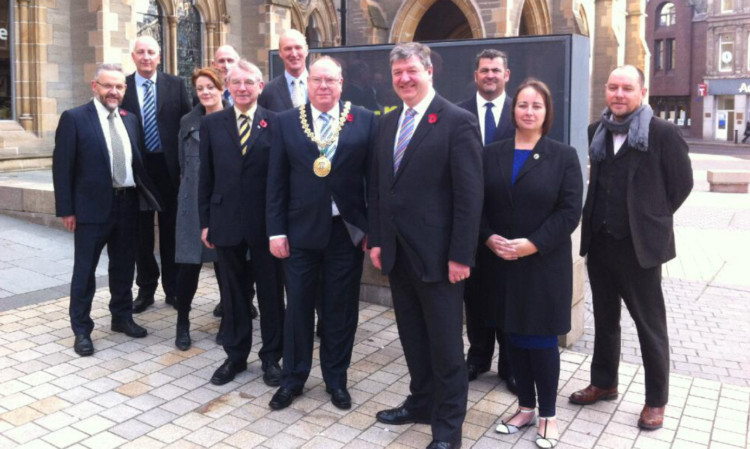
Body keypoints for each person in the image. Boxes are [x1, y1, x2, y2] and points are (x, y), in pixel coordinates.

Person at [369, 42, 483, 449]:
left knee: (447, 349)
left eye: (411, 71)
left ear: (429, 71)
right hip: (399, 255)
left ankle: (448, 431)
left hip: (440, 260)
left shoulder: (457, 122)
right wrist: (378, 241)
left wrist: (460, 256)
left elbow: (470, 198)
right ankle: (420, 403)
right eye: (397, 72)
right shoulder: (387, 123)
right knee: (413, 339)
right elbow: (382, 189)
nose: (404, 78)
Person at [570, 65, 693, 431]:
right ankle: (604, 382)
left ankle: (656, 400)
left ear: (641, 93)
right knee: (606, 320)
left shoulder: (663, 133)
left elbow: (681, 185)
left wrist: (650, 217)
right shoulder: (597, 131)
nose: (618, 94)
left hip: (640, 249)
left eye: (626, 88)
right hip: (601, 243)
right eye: (612, 87)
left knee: (649, 326)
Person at [266, 56, 376, 411]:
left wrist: (373, 229)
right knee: (297, 307)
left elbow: (373, 182)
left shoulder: (363, 120)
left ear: (341, 83)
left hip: (346, 232)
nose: (324, 86)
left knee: (340, 310)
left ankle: (336, 379)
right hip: (299, 234)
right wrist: (275, 231)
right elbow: (276, 182)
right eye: (317, 80)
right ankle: (293, 378)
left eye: (330, 80)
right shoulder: (285, 123)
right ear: (307, 83)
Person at [487, 79, 582, 449]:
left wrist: (533, 244)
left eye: (536, 106)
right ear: (514, 110)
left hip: (542, 265)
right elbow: (477, 203)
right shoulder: (492, 152)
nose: (528, 111)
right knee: (512, 338)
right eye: (523, 105)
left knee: (540, 342)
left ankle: (548, 416)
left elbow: (569, 211)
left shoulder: (563, 155)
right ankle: (525, 408)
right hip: (501, 263)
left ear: (547, 113)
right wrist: (487, 237)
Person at [52, 63, 161, 357]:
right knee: (85, 270)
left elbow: (137, 164)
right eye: (107, 86)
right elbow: (62, 168)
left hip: (127, 205)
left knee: (124, 265)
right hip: (89, 209)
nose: (113, 91)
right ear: (94, 86)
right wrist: (67, 210)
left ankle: (121, 317)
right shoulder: (75, 118)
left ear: (125, 90)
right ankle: (82, 329)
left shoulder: (130, 119)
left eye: (119, 86)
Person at [198, 60, 285, 386]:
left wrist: (282, 225)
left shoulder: (277, 123)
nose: (243, 88)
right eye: (237, 83)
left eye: (250, 82)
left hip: (267, 224)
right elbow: (205, 177)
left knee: (271, 293)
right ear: (228, 88)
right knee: (233, 295)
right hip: (226, 221)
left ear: (260, 87)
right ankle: (235, 356)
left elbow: (283, 179)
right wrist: (205, 220)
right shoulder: (212, 124)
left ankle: (272, 358)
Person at [456, 48, 516, 389]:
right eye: (484, 70)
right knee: (475, 296)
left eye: (496, 70)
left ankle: (510, 365)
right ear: (476, 75)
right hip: (470, 222)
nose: (490, 75)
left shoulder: (520, 110)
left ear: (506, 75)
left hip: (509, 222)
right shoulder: (459, 112)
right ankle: (478, 356)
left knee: (507, 296)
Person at [121, 35, 191, 313]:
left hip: (169, 169)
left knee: (171, 230)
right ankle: (146, 288)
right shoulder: (122, 86)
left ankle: (173, 289)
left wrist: (186, 168)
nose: (146, 57)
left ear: (159, 56)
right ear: (133, 56)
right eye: (141, 52)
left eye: (151, 52)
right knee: (141, 233)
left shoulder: (176, 85)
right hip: (137, 169)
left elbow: (186, 127)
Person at [173, 68, 227, 351]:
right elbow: (183, 164)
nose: (205, 92)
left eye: (210, 87)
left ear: (221, 88)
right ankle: (182, 323)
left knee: (225, 268)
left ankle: (227, 321)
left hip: (224, 205)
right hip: (192, 205)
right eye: (200, 88)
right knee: (188, 268)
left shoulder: (233, 119)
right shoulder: (188, 122)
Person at [258, 29, 309, 112]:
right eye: (288, 49)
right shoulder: (269, 91)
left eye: (298, 47)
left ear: (306, 50)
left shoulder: (322, 86)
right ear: (280, 53)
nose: (294, 54)